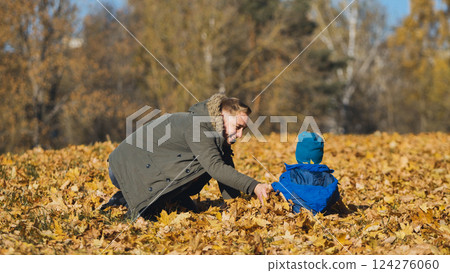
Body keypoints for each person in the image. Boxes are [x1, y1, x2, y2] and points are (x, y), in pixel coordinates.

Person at [101, 92, 273, 219]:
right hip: (125, 169)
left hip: (150, 168)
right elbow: (216, 167)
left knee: (196, 187)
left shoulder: (216, 132)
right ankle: (126, 198)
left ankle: (166, 198)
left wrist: (234, 206)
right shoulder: (198, 126)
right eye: (238, 127)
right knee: (148, 216)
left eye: (244, 129)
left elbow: (225, 166)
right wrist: (255, 186)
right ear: (223, 116)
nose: (241, 135)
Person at [272, 132, 348, 215]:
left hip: (298, 215)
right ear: (320, 156)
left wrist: (273, 186)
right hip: (324, 215)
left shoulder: (289, 176)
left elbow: (280, 190)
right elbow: (334, 198)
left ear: (298, 155)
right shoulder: (330, 178)